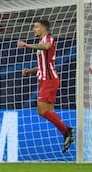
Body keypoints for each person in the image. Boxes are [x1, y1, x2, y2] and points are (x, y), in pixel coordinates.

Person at [17, 20, 74, 153]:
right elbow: (43, 63)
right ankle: (66, 132)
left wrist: (26, 45)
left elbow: (46, 46)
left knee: (42, 111)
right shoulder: (42, 41)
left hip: (49, 80)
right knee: (48, 112)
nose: (33, 29)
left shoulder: (48, 39)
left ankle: (67, 131)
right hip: (44, 79)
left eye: (36, 27)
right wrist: (30, 71)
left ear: (43, 28)